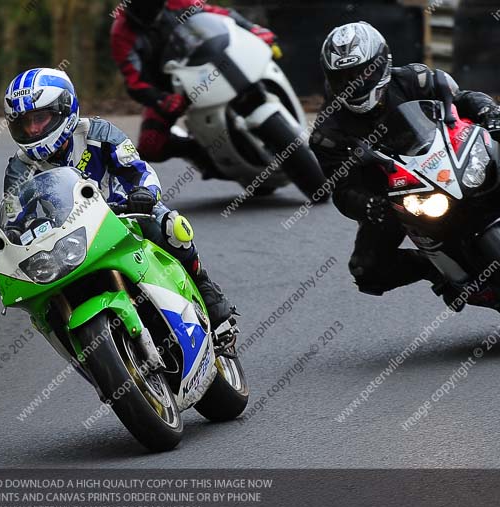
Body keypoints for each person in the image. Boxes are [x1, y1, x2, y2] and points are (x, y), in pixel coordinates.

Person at [0, 67, 234, 327]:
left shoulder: (98, 133)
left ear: (64, 110)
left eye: (40, 118)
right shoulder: (19, 169)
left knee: (171, 226)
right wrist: (10, 259)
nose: (32, 130)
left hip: (124, 214)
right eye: (24, 122)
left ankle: (204, 285)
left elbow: (137, 169)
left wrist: (143, 193)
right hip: (68, 240)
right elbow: (14, 220)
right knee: (43, 304)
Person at [311, 21, 500, 307]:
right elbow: (341, 190)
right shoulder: (328, 133)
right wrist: (369, 205)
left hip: (449, 161)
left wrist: (488, 110)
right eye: (344, 77)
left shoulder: (415, 79)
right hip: (396, 197)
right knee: (368, 270)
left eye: (362, 73)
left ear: (382, 63)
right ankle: (435, 269)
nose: (354, 83)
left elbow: (460, 99)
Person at [110, 0, 278, 176]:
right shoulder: (121, 32)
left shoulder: (178, 2)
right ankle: (203, 155)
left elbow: (220, 14)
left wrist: (253, 29)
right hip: (169, 90)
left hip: (210, 65)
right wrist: (160, 99)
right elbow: (134, 81)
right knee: (150, 146)